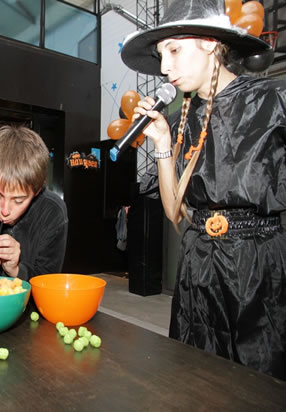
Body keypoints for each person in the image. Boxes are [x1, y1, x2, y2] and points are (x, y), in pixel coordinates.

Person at [121, 0, 286, 379]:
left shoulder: (271, 101)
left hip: (258, 266)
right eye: (161, 55)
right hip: (198, 267)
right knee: (196, 377)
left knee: (260, 382)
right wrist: (163, 142)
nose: (165, 67)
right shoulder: (182, 119)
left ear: (211, 43)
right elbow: (173, 211)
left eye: (174, 50)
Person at [0, 125, 68, 280]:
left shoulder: (52, 212)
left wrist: (16, 270)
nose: (5, 210)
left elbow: (48, 282)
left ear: (37, 190)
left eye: (18, 200)